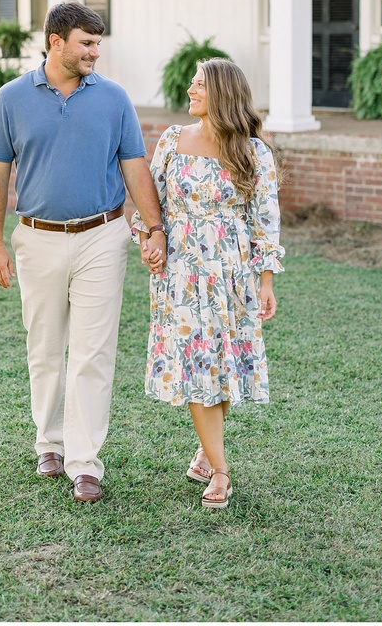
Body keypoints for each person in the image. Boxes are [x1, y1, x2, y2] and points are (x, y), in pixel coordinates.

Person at [0, 1, 165, 503]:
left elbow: (134, 165)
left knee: (93, 353)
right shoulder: (11, 98)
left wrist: (155, 227)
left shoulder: (114, 99)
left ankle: (85, 464)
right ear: (56, 41)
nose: (95, 52)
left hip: (102, 237)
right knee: (44, 349)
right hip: (36, 238)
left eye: (98, 43)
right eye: (87, 43)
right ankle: (50, 444)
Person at [133, 58, 284, 509]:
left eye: (199, 84)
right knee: (198, 365)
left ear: (220, 93)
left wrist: (266, 282)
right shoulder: (173, 140)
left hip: (232, 272)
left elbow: (266, 221)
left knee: (221, 362)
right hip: (181, 272)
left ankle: (207, 452)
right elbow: (149, 200)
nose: (190, 88)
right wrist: (147, 238)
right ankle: (221, 471)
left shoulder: (254, 152)